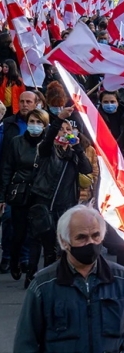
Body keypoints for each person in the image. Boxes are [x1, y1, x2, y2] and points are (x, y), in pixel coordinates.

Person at [14, 205, 124, 353]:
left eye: (96, 235)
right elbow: (25, 343)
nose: (90, 243)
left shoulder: (122, 279)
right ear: (64, 242)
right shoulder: (43, 285)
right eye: (81, 237)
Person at [26, 107, 93, 282]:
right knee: (47, 247)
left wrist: (77, 147)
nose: (65, 132)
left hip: (66, 206)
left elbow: (87, 169)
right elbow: (48, 139)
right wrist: (59, 120)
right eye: (61, 129)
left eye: (68, 129)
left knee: (63, 246)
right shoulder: (46, 150)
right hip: (45, 204)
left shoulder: (74, 154)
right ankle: (41, 279)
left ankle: (61, 277)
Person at [0, 108, 48, 280]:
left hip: (40, 193)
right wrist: (2, 196)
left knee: (36, 234)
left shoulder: (47, 144)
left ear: (45, 125)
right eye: (31, 122)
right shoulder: (16, 142)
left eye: (38, 122)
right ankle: (14, 261)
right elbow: (7, 168)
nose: (34, 125)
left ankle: (31, 269)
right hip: (20, 192)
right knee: (18, 232)